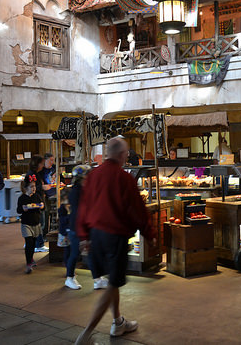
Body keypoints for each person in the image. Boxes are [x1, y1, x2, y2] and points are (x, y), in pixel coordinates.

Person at [75, 137, 155, 344]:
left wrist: (83, 236)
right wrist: (150, 234)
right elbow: (137, 210)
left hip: (95, 236)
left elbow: (84, 206)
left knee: (113, 280)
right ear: (121, 155)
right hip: (114, 237)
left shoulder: (93, 176)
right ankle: (86, 333)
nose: (128, 156)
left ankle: (118, 322)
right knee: (112, 284)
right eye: (127, 153)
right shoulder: (124, 178)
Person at [63, 165, 109, 290]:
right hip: (77, 227)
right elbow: (80, 213)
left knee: (92, 252)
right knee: (75, 253)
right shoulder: (76, 192)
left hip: (86, 226)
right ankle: (69, 278)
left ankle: (97, 279)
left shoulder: (85, 189)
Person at [17, 174, 44, 273]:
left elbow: (42, 206)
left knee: (33, 244)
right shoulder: (22, 198)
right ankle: (28, 264)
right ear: (25, 188)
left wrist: (41, 206)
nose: (34, 188)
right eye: (31, 187)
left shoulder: (37, 196)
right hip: (26, 224)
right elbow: (19, 210)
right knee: (29, 242)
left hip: (36, 223)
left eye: (34, 186)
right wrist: (24, 208)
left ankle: (31, 258)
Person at [26, 155, 49, 252]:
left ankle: (31, 242)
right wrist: (42, 188)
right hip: (36, 201)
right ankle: (39, 244)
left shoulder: (37, 174)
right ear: (37, 164)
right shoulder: (32, 175)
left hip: (38, 200)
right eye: (42, 163)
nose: (43, 165)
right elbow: (31, 188)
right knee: (39, 223)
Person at [39, 153, 56, 248]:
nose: (52, 162)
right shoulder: (41, 171)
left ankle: (52, 232)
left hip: (54, 193)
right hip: (45, 195)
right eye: (50, 160)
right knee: (45, 214)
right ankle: (44, 234)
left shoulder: (54, 168)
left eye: (53, 160)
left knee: (53, 214)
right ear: (45, 160)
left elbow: (59, 177)